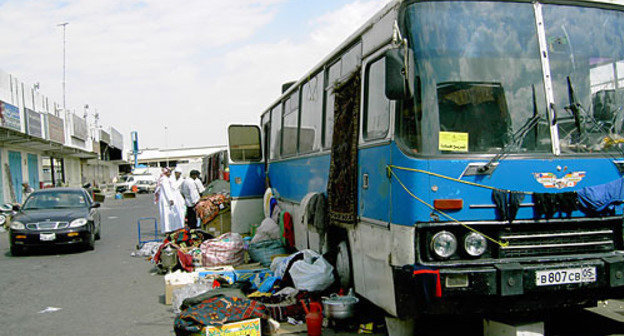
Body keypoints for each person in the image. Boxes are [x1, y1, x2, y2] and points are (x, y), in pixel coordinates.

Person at [154, 168, 183, 233]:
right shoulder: (164, 180)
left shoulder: (166, 179)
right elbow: (167, 190)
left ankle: (169, 229)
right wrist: (170, 199)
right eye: (169, 172)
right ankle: (167, 230)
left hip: (165, 199)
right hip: (165, 200)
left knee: (168, 215)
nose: (170, 173)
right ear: (166, 173)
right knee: (166, 215)